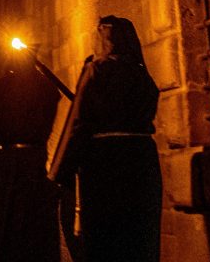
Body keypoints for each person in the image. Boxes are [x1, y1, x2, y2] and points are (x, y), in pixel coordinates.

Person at [49, 15, 161, 262]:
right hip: (141, 163)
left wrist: (60, 170)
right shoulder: (143, 76)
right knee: (138, 233)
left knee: (105, 236)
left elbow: (78, 121)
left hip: (105, 165)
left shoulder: (96, 70)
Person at [0, 44, 61, 262]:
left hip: (11, 163)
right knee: (32, 221)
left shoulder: (2, 87)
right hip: (32, 159)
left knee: (10, 220)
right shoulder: (45, 87)